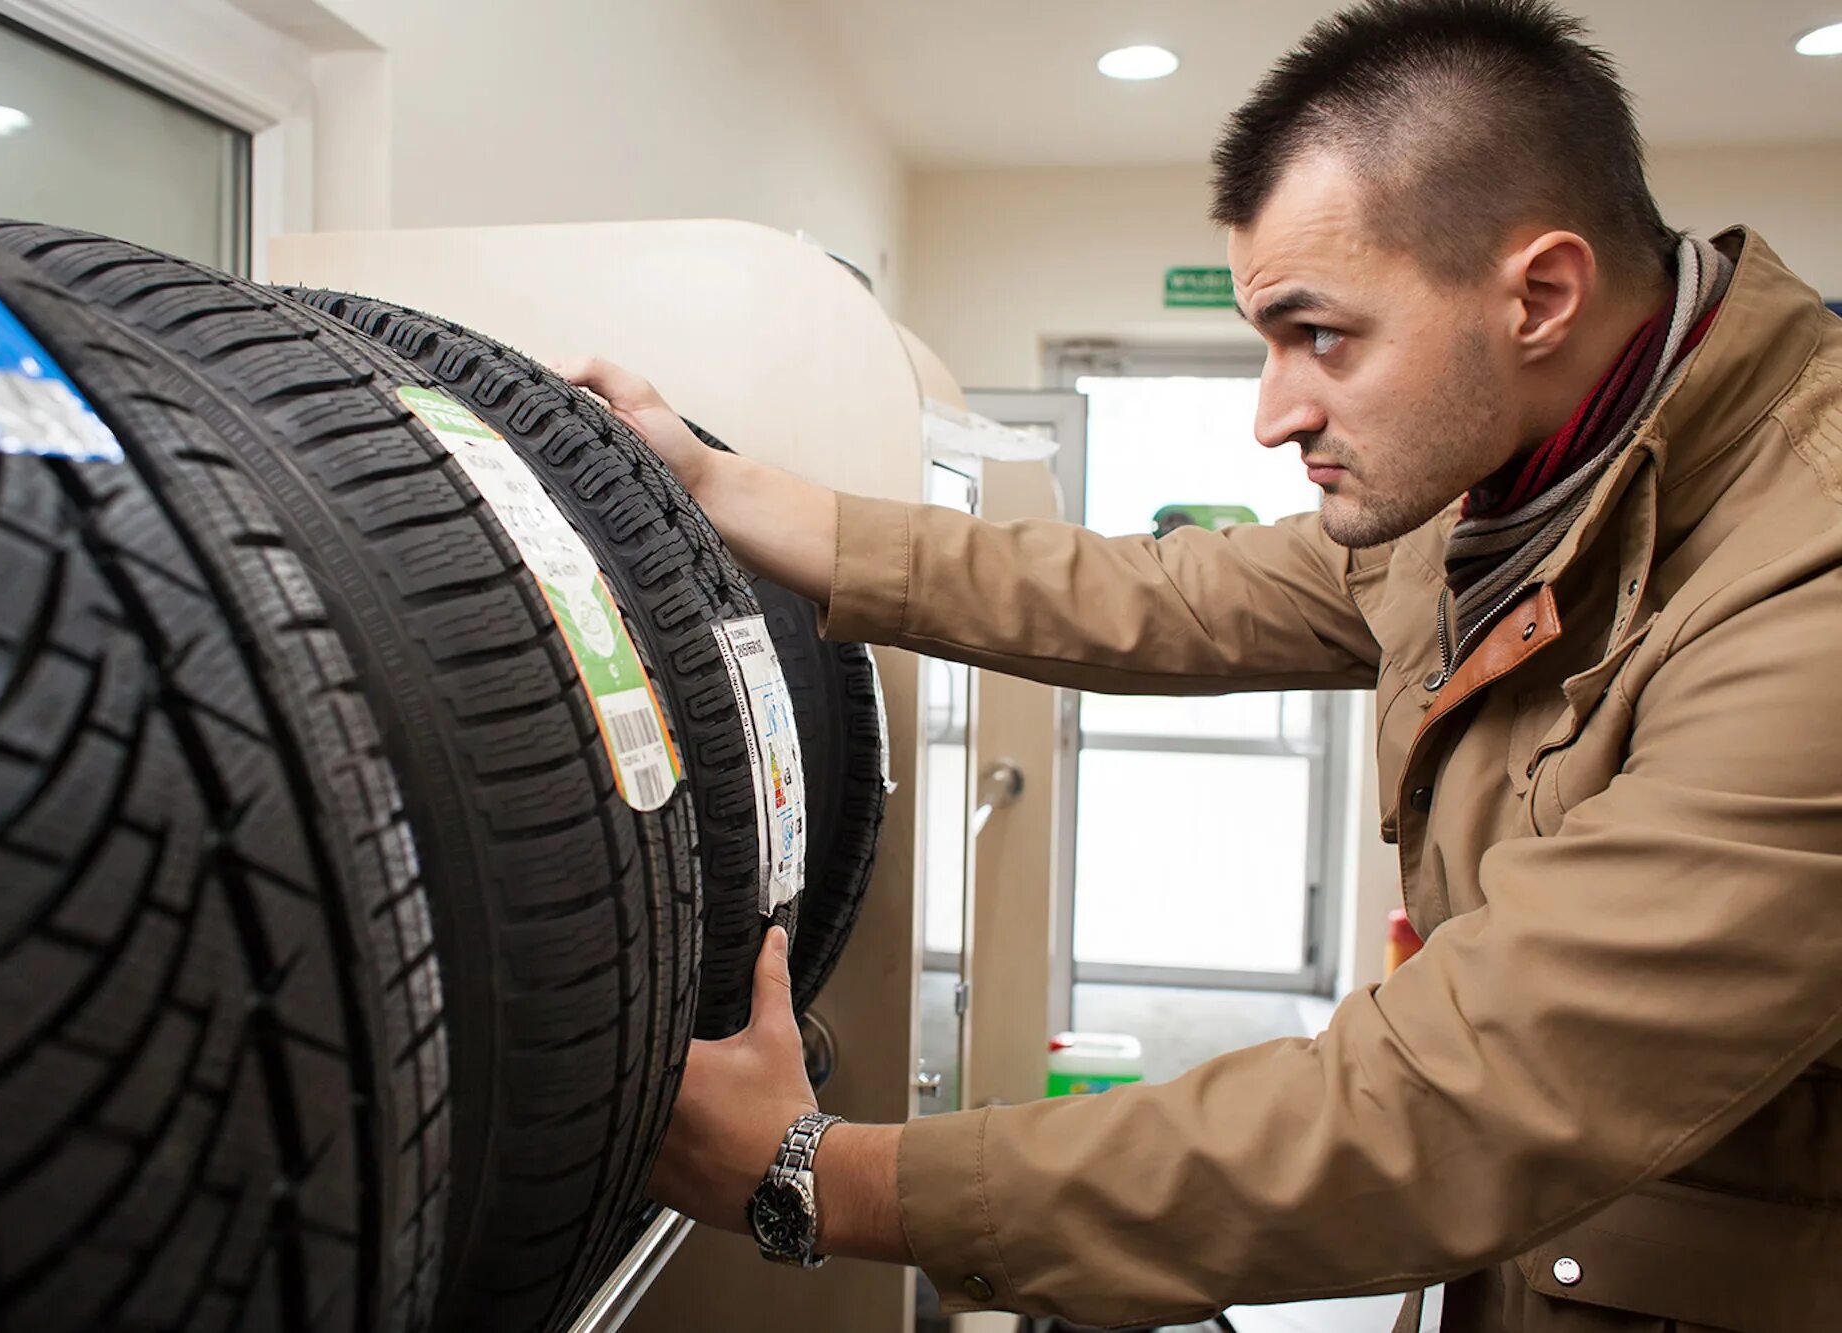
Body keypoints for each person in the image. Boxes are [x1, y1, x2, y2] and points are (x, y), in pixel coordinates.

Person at [558, 1, 1842, 1328]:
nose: (1276, 412)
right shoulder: (1514, 479)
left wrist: (820, 1175)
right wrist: (749, 496)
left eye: (1322, 337)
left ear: (1541, 295)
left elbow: (1466, 1098)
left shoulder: (1809, 591)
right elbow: (1157, 592)